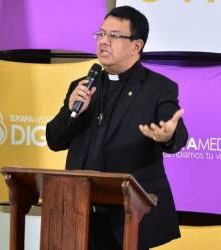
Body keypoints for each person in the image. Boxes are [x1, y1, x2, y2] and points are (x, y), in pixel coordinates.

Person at [46, 5, 188, 250]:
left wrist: (168, 134)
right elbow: (54, 140)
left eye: (114, 36)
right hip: (80, 213)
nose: (104, 42)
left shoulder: (158, 88)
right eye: (101, 34)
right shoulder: (81, 86)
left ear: (136, 45)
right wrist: (72, 113)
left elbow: (175, 130)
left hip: (129, 217)